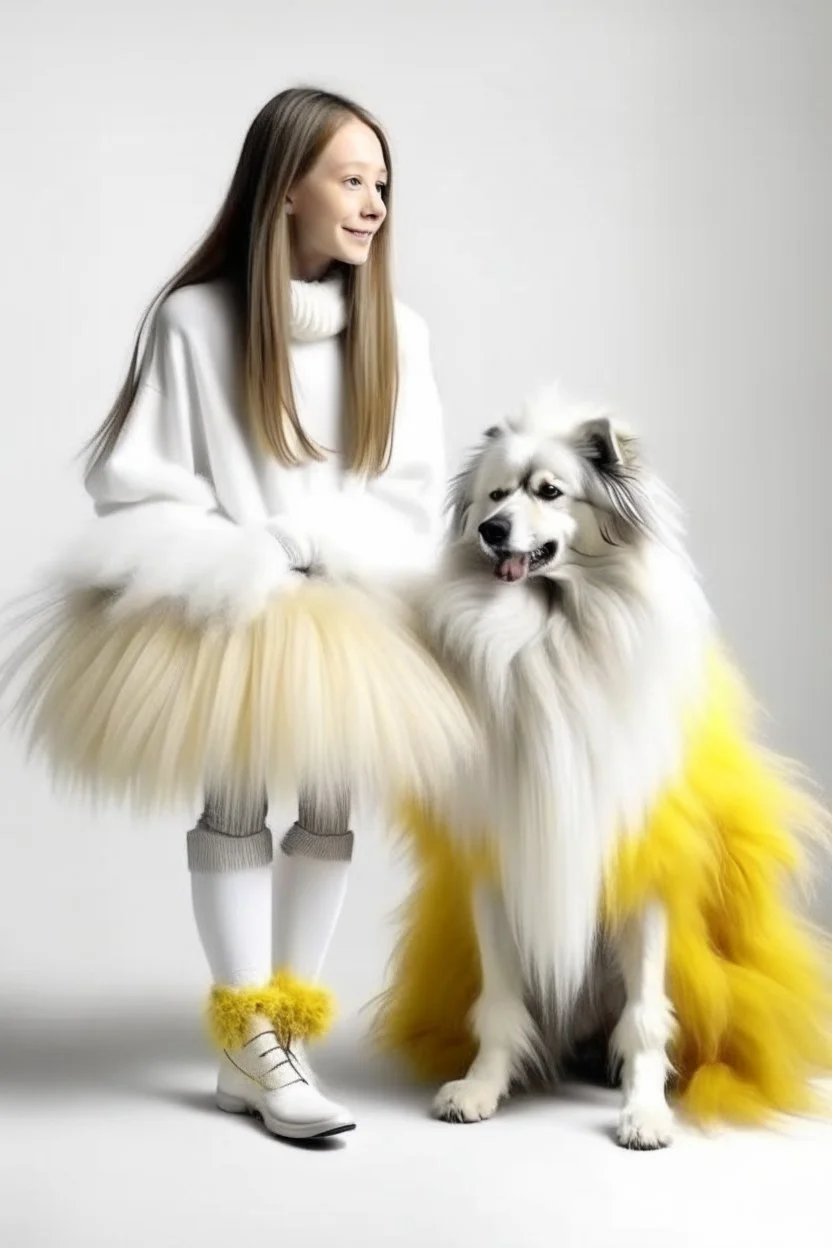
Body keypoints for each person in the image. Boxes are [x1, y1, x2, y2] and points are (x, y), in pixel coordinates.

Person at [80, 86, 446, 1139]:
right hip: (234, 610)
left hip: (347, 612)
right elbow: (138, 481)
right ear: (286, 186)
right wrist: (251, 552)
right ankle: (248, 1042)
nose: (373, 202)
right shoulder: (195, 320)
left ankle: (286, 1028)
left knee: (328, 812)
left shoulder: (398, 335)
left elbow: (410, 495)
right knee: (235, 804)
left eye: (382, 183)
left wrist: (329, 548)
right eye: (351, 178)